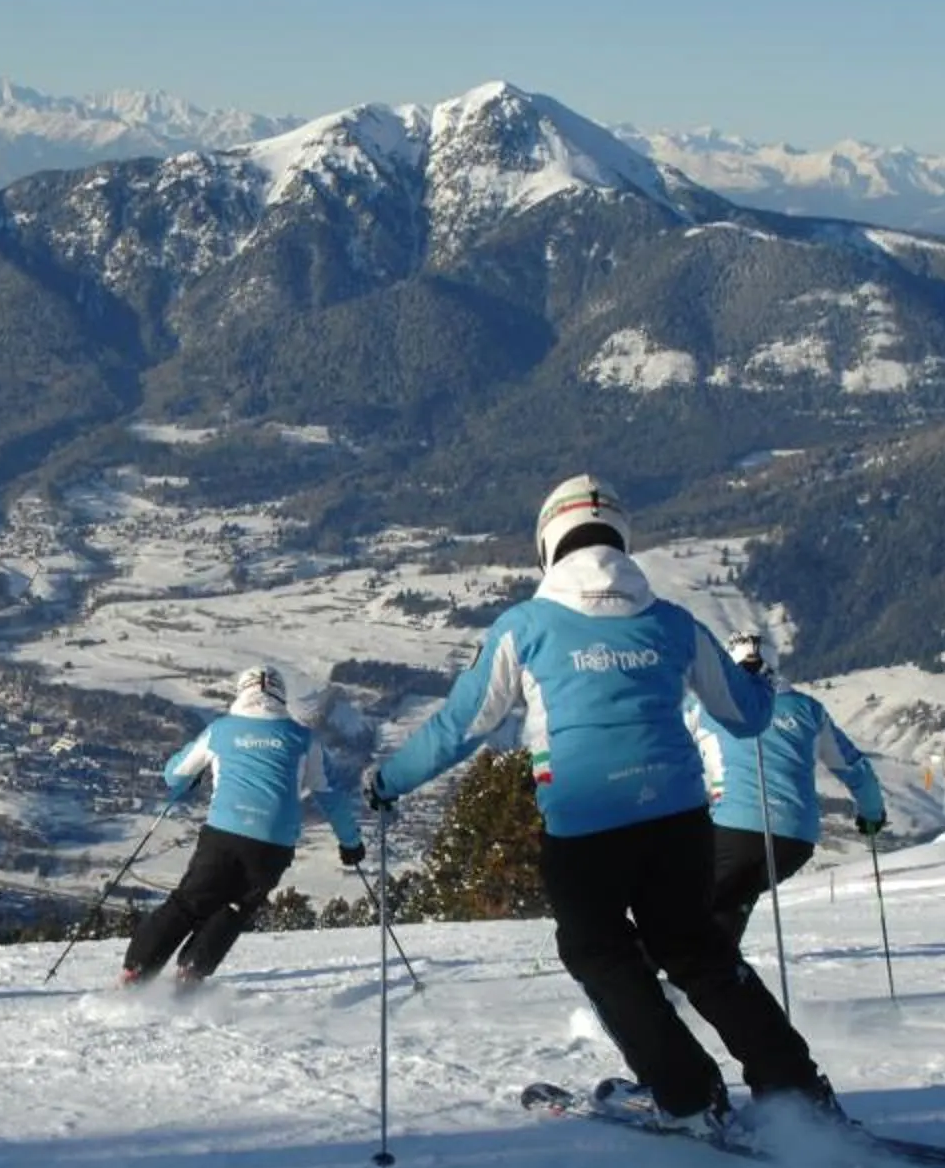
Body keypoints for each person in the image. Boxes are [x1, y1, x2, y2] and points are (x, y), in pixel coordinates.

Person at [364, 476, 846, 1134]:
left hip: (586, 827)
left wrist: (387, 782)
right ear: (623, 542)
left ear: (548, 545)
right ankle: (795, 1088)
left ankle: (684, 1092)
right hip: (680, 821)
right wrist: (756, 684)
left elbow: (460, 726)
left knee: (600, 952)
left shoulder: (525, 627)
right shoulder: (676, 624)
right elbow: (746, 719)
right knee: (698, 949)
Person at [120, 664, 363, 989]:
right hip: (273, 843)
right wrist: (350, 843)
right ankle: (191, 972)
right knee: (235, 907)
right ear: (281, 697)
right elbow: (331, 795)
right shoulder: (304, 739)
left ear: (242, 692)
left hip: (223, 833)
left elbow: (173, 775)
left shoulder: (222, 730)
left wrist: (191, 777)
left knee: (189, 901)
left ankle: (137, 971)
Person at [687, 632, 889, 961]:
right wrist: (871, 814)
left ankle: (646, 985)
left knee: (682, 906)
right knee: (731, 901)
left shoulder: (705, 709)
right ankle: (712, 980)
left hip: (731, 830)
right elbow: (854, 768)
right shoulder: (808, 710)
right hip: (795, 841)